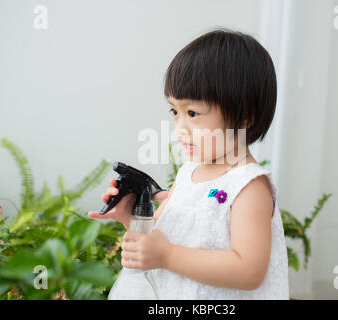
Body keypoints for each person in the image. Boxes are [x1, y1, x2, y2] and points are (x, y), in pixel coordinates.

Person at [88, 28, 289, 299]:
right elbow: (162, 235)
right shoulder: (189, 172)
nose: (179, 127)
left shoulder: (248, 187)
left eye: (192, 113)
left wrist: (167, 256)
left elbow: (249, 271)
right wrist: (133, 219)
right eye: (174, 111)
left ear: (244, 118)